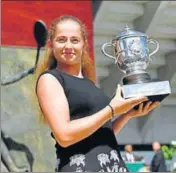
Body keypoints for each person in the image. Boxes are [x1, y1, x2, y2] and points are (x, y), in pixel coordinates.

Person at [35, 15, 160, 172]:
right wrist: (111, 110)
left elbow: (100, 135)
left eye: (74, 40)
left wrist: (127, 115)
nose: (68, 46)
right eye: (61, 40)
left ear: (84, 44)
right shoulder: (50, 79)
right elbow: (64, 136)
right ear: (51, 44)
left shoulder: (89, 83)